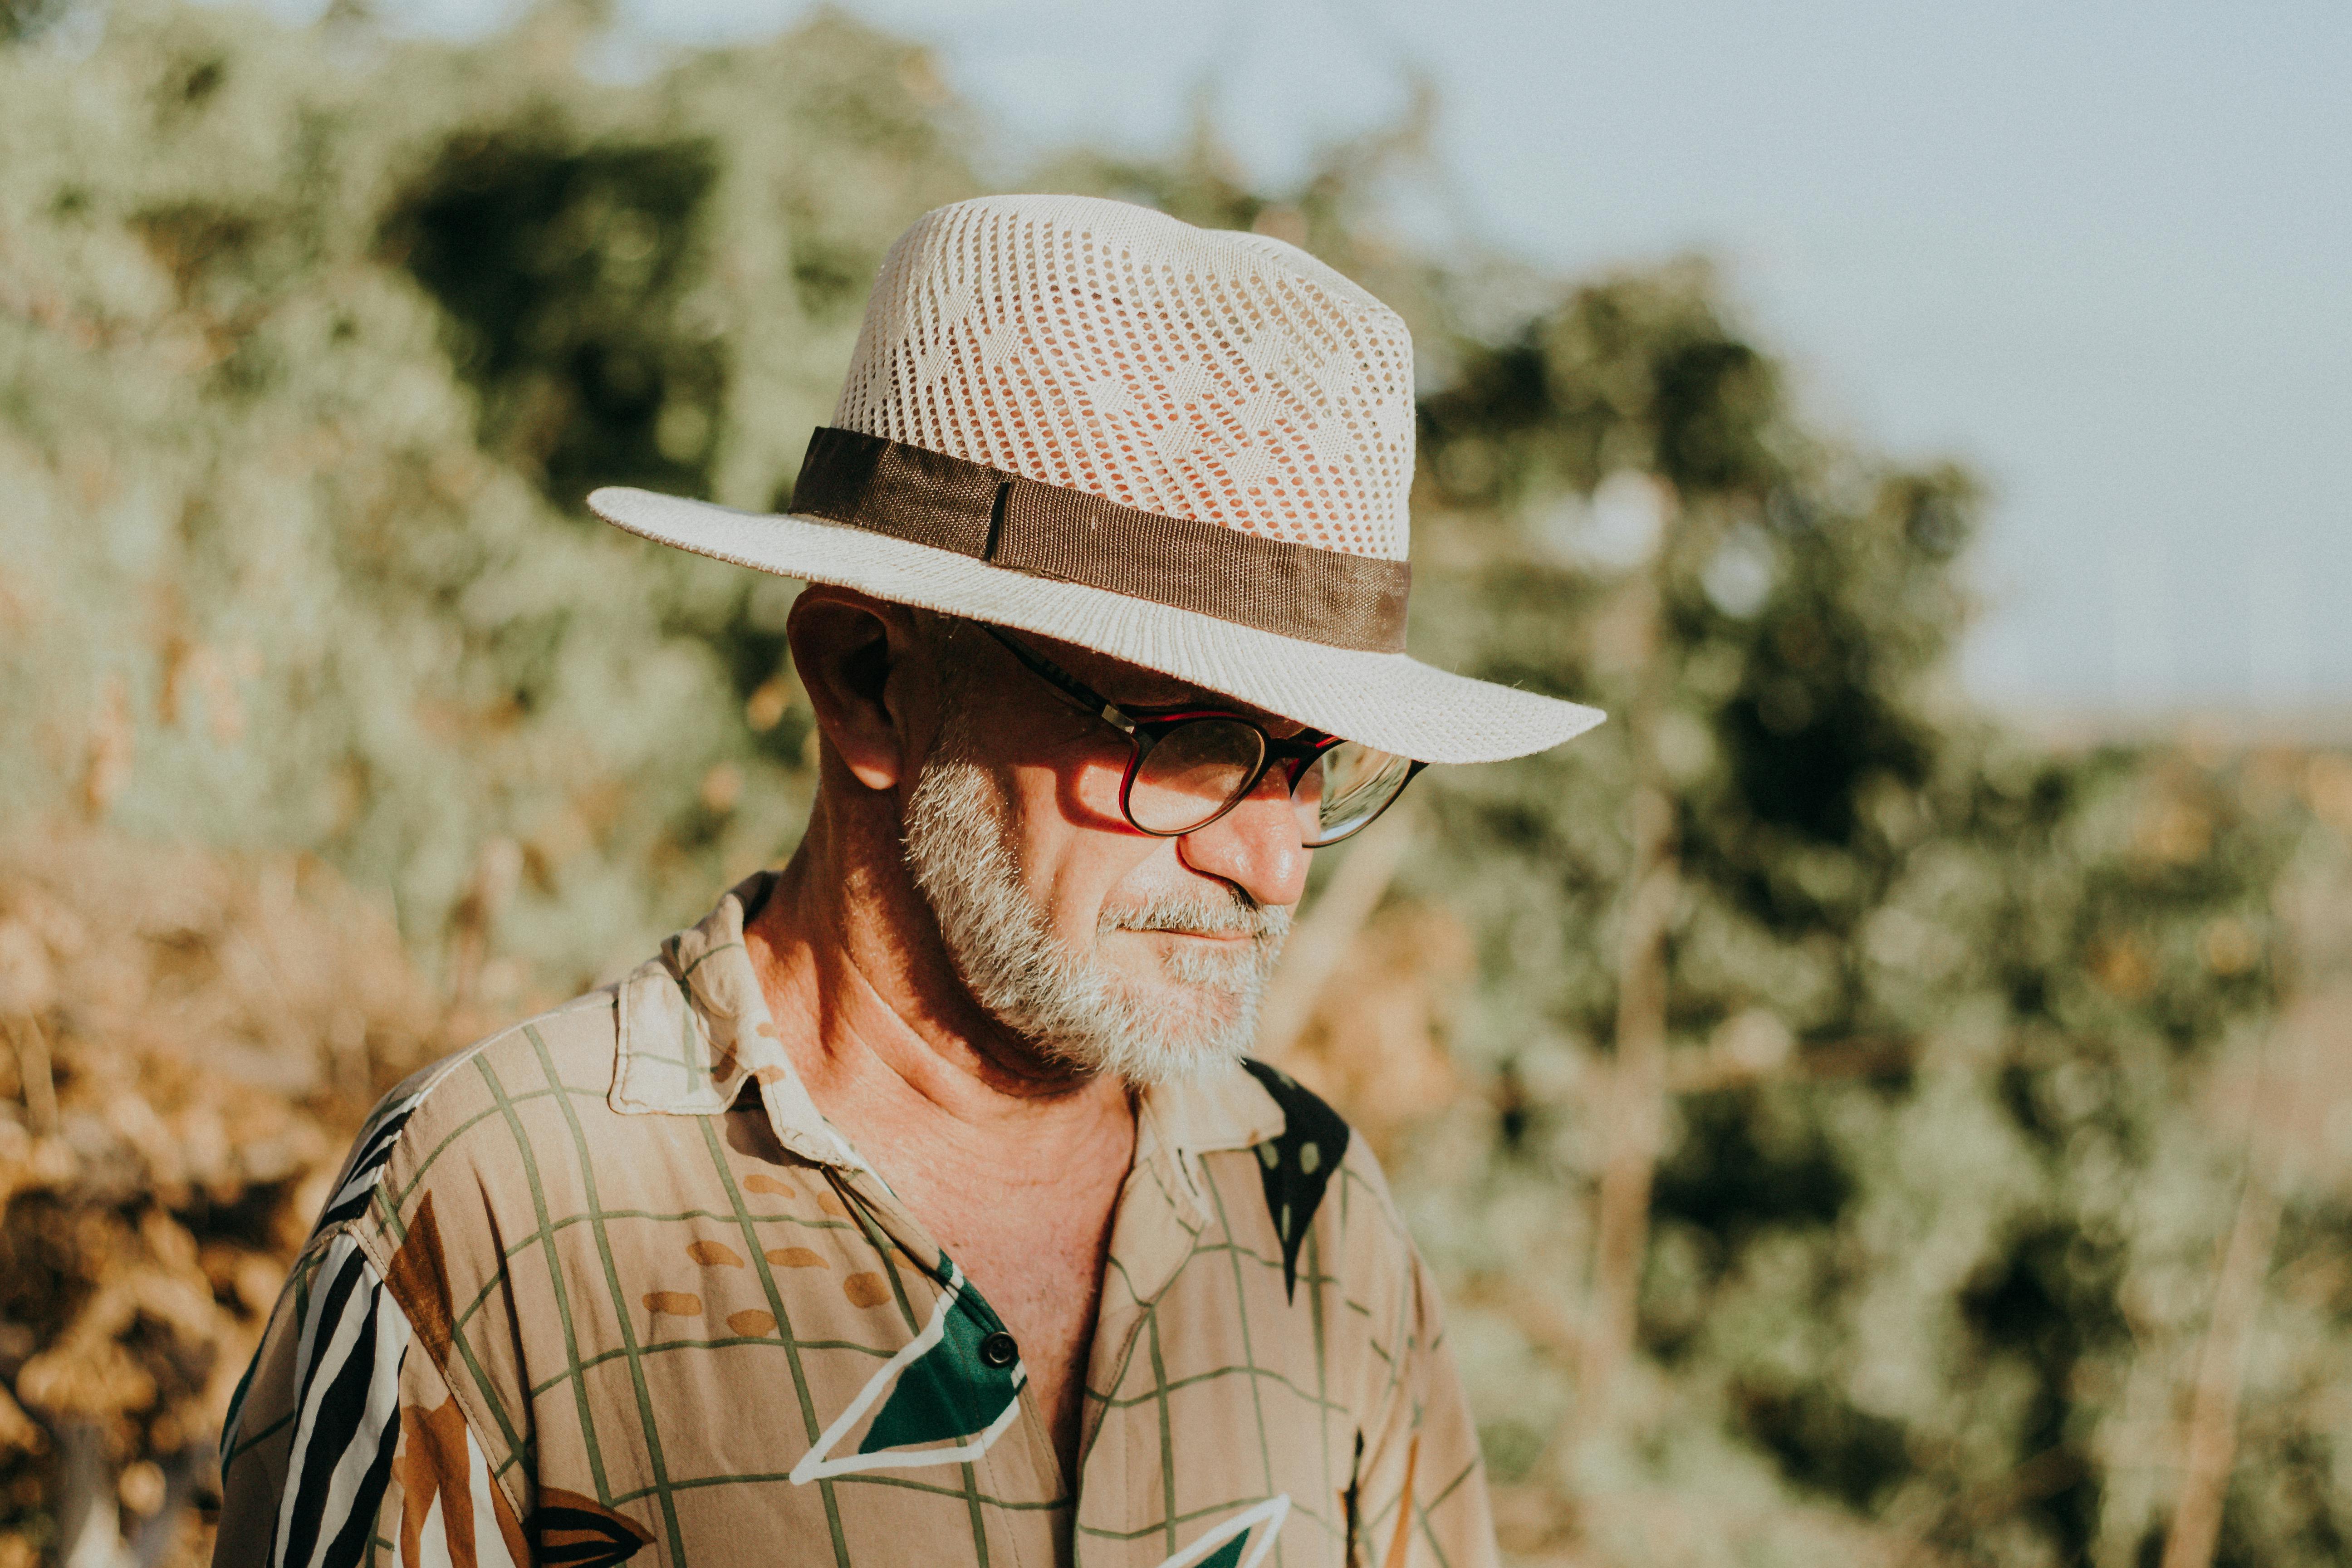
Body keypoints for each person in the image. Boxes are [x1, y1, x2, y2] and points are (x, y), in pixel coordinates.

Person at [214, 194, 1603, 1568]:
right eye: (1187, 746)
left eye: (1320, 768)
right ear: (871, 683)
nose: (1273, 858)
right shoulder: (502, 1215)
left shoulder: (1318, 1224)